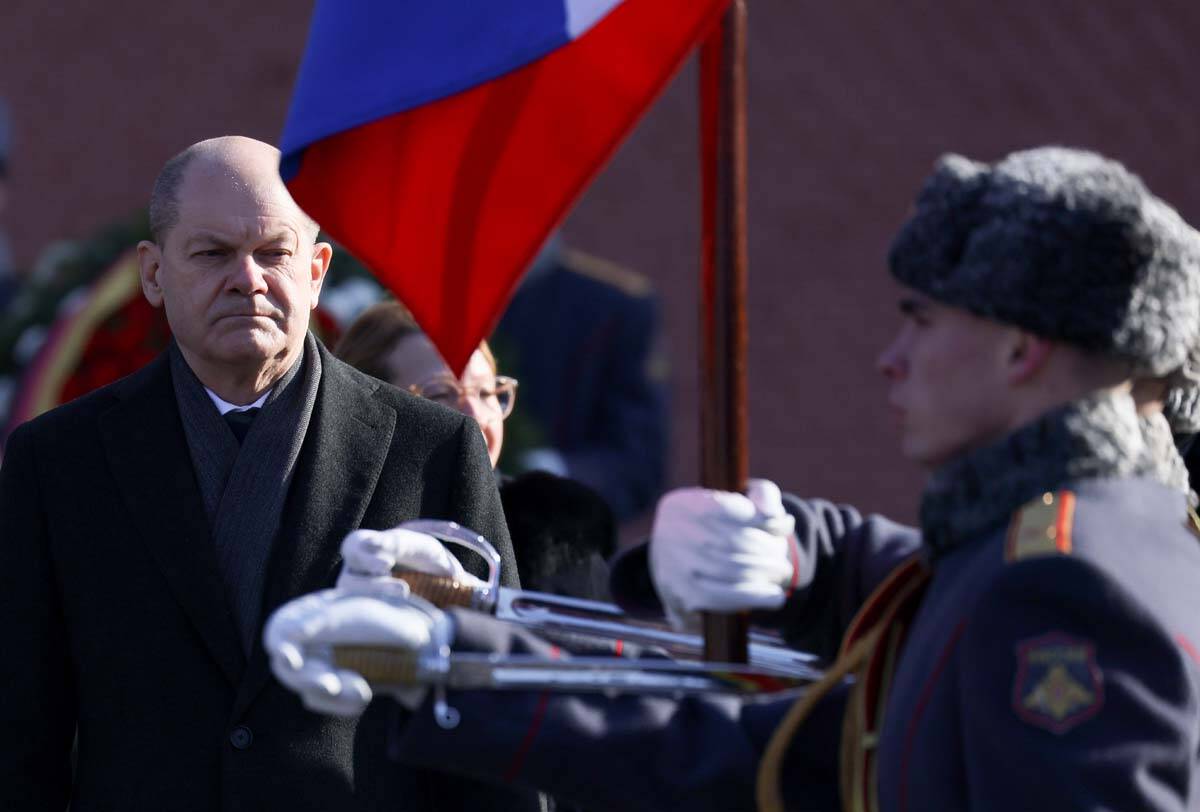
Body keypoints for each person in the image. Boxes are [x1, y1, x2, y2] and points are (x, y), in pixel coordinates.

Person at [266, 147, 1200, 810]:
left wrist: (451, 668)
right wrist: (453, 665)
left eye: (922, 320)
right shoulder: (1055, 538)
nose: (892, 356)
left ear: (1021, 350)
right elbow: (787, 743)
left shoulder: (1065, 581)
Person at [0, 136, 539, 811]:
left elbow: (499, 709)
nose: (247, 279)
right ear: (153, 273)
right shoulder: (60, 460)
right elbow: (20, 731)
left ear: (316, 271)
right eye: (212, 253)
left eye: (274, 253)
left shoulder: (428, 448)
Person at [336, 300, 615, 598]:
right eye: (441, 393)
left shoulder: (559, 531)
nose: (474, 414)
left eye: (485, 392)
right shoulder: (333, 517)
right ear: (369, 412)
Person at [491, 237, 668, 521]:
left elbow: (639, 464)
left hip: (559, 534)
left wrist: (555, 471)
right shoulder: (417, 298)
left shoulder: (613, 307)